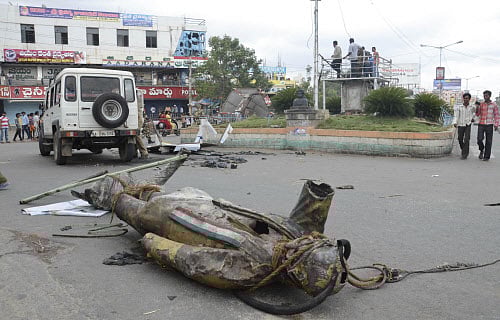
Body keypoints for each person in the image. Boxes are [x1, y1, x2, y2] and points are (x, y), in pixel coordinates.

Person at [74, 174, 349, 301]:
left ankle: (107, 190)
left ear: (298, 272)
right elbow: (307, 219)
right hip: (201, 205)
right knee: (149, 195)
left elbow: (195, 261)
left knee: (125, 202)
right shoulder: (295, 236)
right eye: (309, 246)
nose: (303, 245)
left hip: (172, 220)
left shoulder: (254, 268)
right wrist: (317, 197)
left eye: (306, 252)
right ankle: (129, 185)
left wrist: (153, 243)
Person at [475, 90, 499, 161]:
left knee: (489, 141)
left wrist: (496, 124)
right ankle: (482, 150)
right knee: (479, 139)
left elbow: (496, 115)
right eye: (484, 96)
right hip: (481, 124)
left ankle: (486, 156)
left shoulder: (494, 105)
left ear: (489, 96)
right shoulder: (481, 104)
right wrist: (477, 108)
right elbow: (477, 114)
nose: (485, 97)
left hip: (489, 124)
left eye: (486, 96)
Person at [453, 93, 476, 159]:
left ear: (469, 99)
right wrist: (455, 122)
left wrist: (473, 118)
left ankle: (464, 154)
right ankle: (464, 149)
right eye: (465, 98)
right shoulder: (459, 107)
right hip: (460, 124)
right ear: (463, 99)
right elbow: (456, 115)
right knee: (460, 138)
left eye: (467, 98)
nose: (466, 99)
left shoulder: (472, 107)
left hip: (468, 124)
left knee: (466, 139)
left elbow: (475, 113)